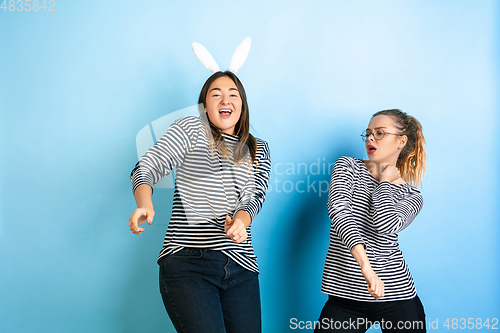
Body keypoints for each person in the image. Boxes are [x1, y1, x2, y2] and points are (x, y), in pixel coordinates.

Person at [128, 69, 271, 333]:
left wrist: (240, 222)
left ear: (242, 105)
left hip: (242, 268)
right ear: (205, 108)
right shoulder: (191, 130)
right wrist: (145, 203)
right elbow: (146, 168)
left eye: (233, 94)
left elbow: (254, 196)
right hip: (189, 264)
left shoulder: (257, 148)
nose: (225, 100)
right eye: (215, 94)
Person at [316, 109, 427, 332]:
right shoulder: (348, 166)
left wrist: (385, 182)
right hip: (346, 294)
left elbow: (385, 225)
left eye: (380, 133)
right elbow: (339, 213)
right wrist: (367, 270)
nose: (370, 139)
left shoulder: (412, 196)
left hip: (396, 294)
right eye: (367, 133)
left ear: (401, 141)